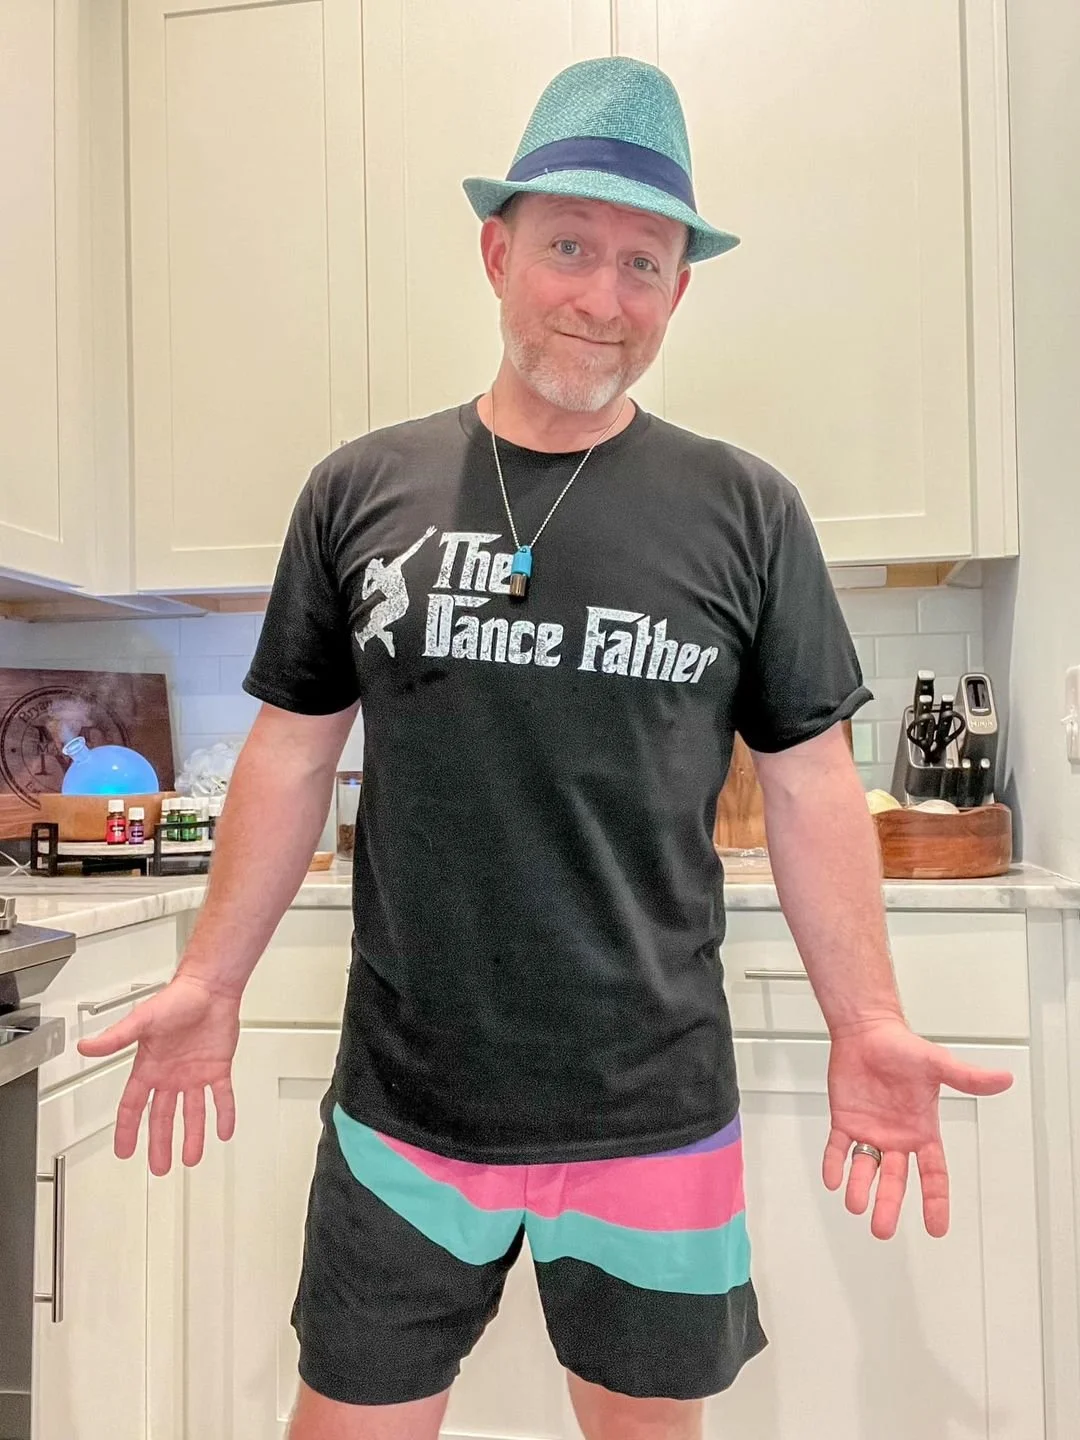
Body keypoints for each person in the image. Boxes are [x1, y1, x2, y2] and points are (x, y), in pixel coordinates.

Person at [80, 56, 1013, 1440]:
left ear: (680, 293)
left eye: (645, 263)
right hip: (406, 1109)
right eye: (570, 245)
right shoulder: (362, 490)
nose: (602, 296)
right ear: (498, 251)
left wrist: (866, 1020)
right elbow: (288, 752)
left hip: (650, 1110)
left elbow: (815, 786)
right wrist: (211, 976)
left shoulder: (746, 510)